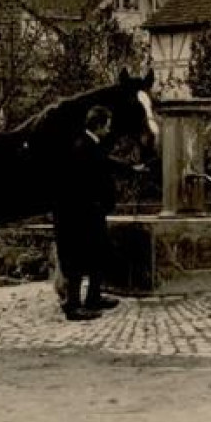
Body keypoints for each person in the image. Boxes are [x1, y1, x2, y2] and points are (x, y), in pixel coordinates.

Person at [53, 105, 145, 321]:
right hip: (79, 215)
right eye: (108, 125)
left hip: (89, 212)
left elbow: (107, 162)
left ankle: (93, 297)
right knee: (78, 258)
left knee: (98, 254)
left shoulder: (89, 144)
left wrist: (131, 169)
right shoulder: (82, 146)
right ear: (100, 125)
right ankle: (73, 306)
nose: (109, 129)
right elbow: (99, 169)